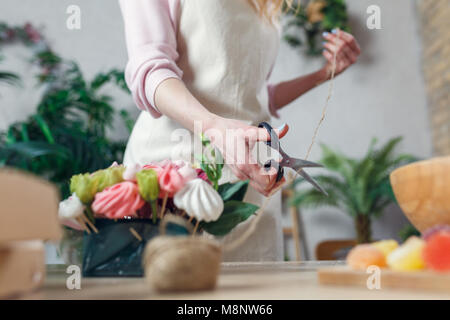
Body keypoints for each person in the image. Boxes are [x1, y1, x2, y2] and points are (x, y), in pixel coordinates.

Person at [119, 0, 361, 261]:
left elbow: (251, 95)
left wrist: (325, 73)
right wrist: (213, 126)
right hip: (175, 172)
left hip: (250, 184)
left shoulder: (269, 4)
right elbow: (150, 69)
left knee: (255, 296)